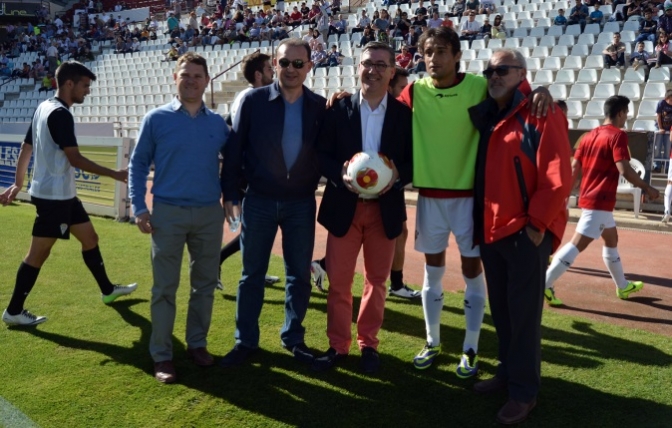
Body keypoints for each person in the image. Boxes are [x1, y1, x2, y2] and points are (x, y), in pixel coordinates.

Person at [396, 26, 552, 377]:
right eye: (428, 52)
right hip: (429, 197)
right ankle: (433, 341)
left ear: (456, 56)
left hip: (469, 199)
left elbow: (513, 91)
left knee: (471, 271)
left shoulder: (478, 86)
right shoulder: (414, 91)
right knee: (431, 271)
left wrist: (538, 88)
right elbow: (382, 105)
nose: (433, 59)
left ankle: (470, 348)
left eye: (440, 52)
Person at [469, 49, 573, 425]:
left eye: (502, 70)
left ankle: (524, 392)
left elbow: (558, 176)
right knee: (503, 311)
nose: (494, 75)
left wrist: (536, 225)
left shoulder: (543, 112)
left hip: (525, 232)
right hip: (493, 230)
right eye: (489, 70)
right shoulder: (491, 111)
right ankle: (507, 373)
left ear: (521, 73)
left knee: (525, 316)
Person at [0, 61, 137, 327]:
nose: (87, 91)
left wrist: (18, 184)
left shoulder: (43, 107)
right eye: (84, 86)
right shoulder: (61, 114)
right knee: (37, 255)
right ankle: (14, 310)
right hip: (54, 198)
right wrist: (115, 174)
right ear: (69, 84)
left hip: (62, 194)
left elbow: (26, 147)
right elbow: (74, 159)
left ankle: (107, 290)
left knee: (90, 238)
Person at [220, 38, 327, 368]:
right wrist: (231, 194)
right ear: (274, 66)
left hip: (300, 203)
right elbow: (234, 150)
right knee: (251, 275)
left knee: (298, 275)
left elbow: (327, 153)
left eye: (298, 63)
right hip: (260, 200)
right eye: (284, 63)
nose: (291, 69)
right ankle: (245, 341)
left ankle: (293, 338)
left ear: (309, 67)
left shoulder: (320, 105)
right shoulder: (252, 101)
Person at [311, 42, 413, 374]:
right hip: (345, 207)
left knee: (377, 281)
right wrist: (340, 175)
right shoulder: (338, 109)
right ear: (358, 67)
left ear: (392, 71)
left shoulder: (403, 115)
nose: (373, 70)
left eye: (381, 65)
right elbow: (321, 154)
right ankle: (338, 346)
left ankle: (368, 344)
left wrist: (397, 177)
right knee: (339, 283)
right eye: (368, 63)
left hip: (384, 210)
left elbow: (413, 162)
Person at [128, 53, 229, 384]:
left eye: (197, 75)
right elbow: (138, 163)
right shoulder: (155, 119)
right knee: (164, 288)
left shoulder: (218, 124)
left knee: (205, 285)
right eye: (185, 74)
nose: (191, 80)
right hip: (167, 213)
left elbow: (233, 165)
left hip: (208, 214)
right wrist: (139, 207)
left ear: (207, 80)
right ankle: (162, 355)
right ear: (175, 78)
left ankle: (197, 344)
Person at [545, 95, 660, 307]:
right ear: (620, 113)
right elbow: (624, 168)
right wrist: (647, 187)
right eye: (626, 113)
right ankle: (545, 283)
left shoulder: (588, 136)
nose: (626, 117)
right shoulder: (618, 136)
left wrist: (565, 195)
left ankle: (622, 285)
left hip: (592, 198)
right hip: (600, 200)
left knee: (611, 238)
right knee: (578, 244)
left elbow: (574, 168)